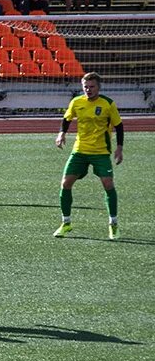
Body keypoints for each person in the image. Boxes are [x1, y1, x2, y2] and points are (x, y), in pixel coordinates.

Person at [54, 72, 124, 240]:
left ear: (98, 87)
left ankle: (113, 224)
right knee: (65, 183)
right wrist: (61, 133)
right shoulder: (76, 102)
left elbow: (119, 126)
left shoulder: (108, 104)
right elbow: (67, 118)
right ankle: (66, 223)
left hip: (101, 152)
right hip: (80, 150)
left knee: (108, 184)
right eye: (85, 86)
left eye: (92, 86)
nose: (88, 89)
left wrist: (119, 148)